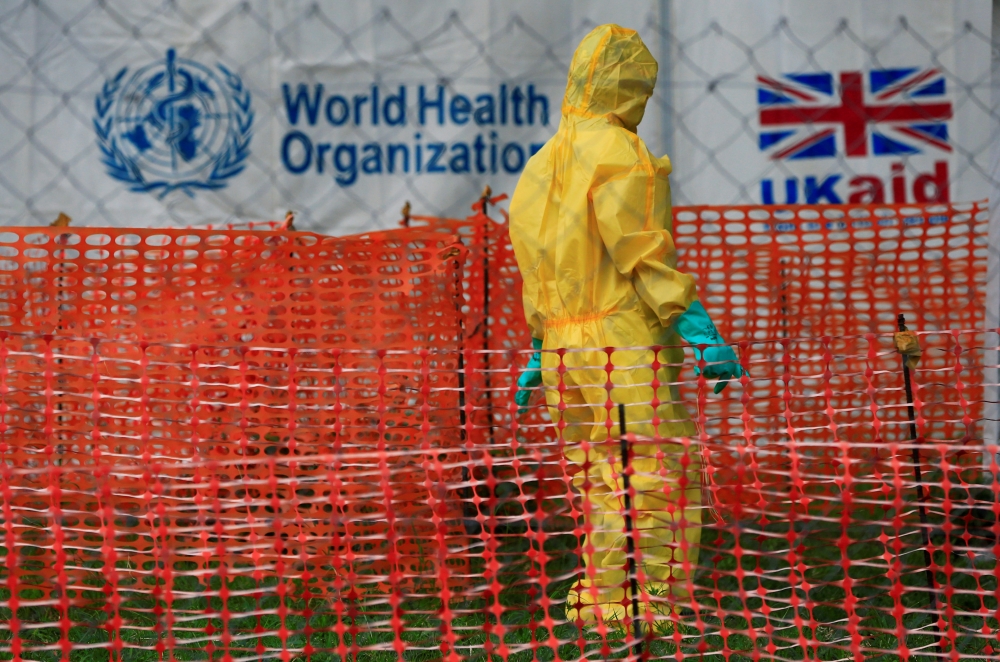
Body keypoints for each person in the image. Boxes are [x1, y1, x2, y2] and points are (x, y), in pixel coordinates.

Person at [509, 24, 743, 625]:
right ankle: (649, 598)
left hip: (562, 348)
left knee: (595, 474)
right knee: (654, 467)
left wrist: (538, 346)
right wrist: (695, 327)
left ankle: (602, 595)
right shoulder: (618, 152)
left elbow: (539, 268)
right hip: (622, 341)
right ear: (632, 86)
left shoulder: (538, 167)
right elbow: (640, 251)